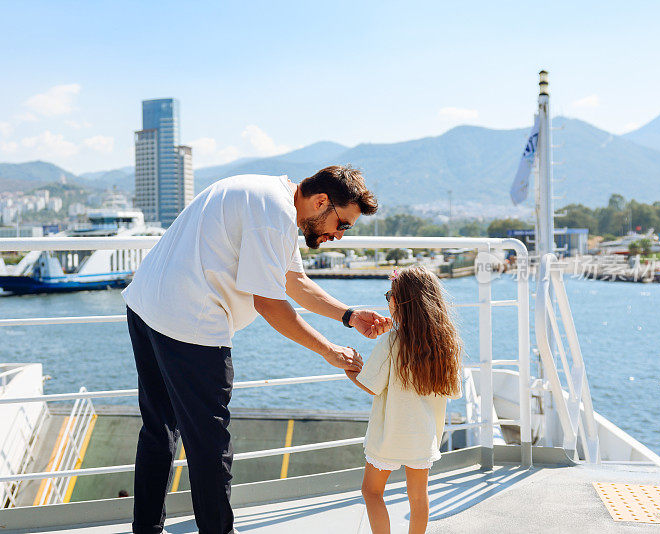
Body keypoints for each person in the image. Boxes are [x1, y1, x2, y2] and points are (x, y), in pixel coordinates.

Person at [122, 165, 393, 534]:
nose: (340, 236)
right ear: (321, 201)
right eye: (342, 224)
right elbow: (270, 305)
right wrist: (329, 351)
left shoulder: (270, 199)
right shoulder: (275, 216)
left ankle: (146, 529)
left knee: (159, 428)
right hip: (190, 321)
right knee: (210, 444)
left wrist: (348, 315)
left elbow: (293, 282)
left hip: (146, 306)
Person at [345, 265, 462, 534]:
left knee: (372, 491)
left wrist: (352, 368)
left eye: (389, 296)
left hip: (390, 434)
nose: (388, 302)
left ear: (401, 303)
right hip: (423, 436)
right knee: (418, 498)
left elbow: (370, 386)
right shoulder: (448, 344)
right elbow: (453, 391)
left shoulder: (392, 342)